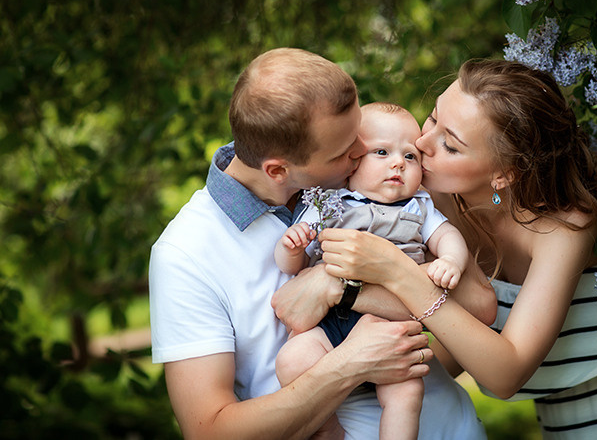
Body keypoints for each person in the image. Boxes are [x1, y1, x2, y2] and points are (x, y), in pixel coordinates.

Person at [313, 59, 597, 439]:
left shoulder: (566, 224)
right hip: (561, 417)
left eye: (451, 145)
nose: (422, 144)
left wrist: (398, 275)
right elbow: (460, 340)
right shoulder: (430, 203)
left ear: (503, 174)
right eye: (433, 119)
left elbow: (504, 372)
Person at [148, 48, 491, 439]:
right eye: (345, 151)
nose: (363, 153)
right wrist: (349, 363)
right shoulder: (186, 254)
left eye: (359, 136)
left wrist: (340, 288)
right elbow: (210, 432)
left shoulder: (387, 186)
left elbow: (478, 304)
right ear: (279, 169)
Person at [274, 102, 470, 440]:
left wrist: (450, 261)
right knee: (292, 362)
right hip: (330, 325)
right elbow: (293, 266)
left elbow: (449, 237)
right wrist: (291, 246)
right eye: (381, 152)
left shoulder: (420, 206)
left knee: (407, 394)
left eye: (410, 156)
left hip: (390, 330)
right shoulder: (331, 203)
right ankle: (328, 430)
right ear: (352, 161)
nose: (398, 163)